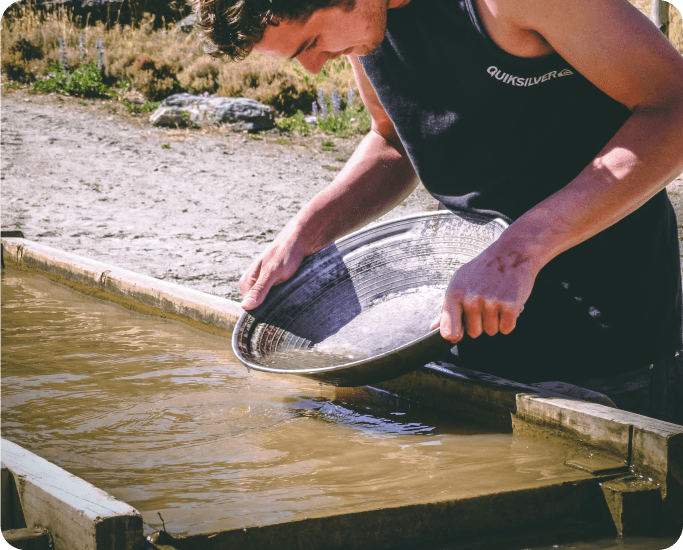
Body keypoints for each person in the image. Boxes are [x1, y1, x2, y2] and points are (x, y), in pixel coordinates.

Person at [191, 0, 683, 423]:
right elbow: (392, 141)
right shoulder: (369, 26)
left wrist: (517, 251)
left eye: (310, 43)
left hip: (608, 340)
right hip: (461, 331)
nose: (316, 68)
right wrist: (305, 231)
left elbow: (674, 107)